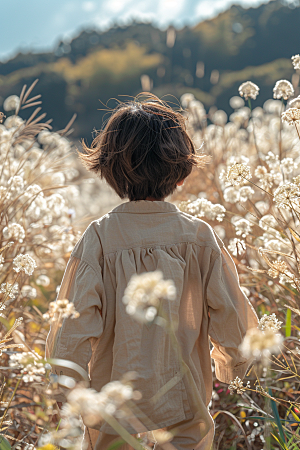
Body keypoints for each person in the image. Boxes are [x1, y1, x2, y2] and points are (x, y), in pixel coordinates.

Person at [46, 94, 258, 450]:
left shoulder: (98, 238)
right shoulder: (199, 237)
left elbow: (71, 328)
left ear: (110, 170)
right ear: (180, 169)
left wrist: (63, 395)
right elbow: (233, 320)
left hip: (113, 413)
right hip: (186, 409)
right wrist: (236, 372)